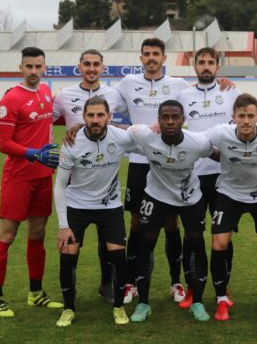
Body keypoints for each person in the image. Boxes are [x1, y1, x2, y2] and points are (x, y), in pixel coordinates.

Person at [0, 46, 63, 318]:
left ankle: (35, 293)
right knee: (6, 236)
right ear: (20, 68)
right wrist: (33, 153)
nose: (33, 71)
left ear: (44, 68)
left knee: (38, 235)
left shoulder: (45, 92)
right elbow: (3, 144)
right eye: (29, 67)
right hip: (18, 178)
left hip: (44, 176)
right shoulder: (10, 99)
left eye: (38, 67)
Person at [115, 38, 191, 304]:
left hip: (169, 163)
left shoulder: (180, 86)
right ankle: (132, 283)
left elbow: (193, 112)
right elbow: (104, 107)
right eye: (146, 54)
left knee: (172, 223)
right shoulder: (126, 84)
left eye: (155, 54)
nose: (151, 58)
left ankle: (175, 282)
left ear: (164, 57)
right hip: (138, 162)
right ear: (140, 58)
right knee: (137, 223)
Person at [127, 100, 215, 322]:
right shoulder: (146, 136)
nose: (170, 121)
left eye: (175, 117)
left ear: (183, 120)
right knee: (146, 245)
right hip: (156, 196)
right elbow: (118, 132)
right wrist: (79, 127)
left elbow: (217, 153)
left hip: (189, 198)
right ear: (158, 120)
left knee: (195, 244)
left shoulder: (198, 141)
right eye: (165, 117)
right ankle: (143, 303)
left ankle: (197, 302)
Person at [53, 49, 128, 304]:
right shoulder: (64, 95)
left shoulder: (115, 94)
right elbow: (45, 120)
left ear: (103, 68)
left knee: (107, 240)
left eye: (96, 64)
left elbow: (138, 115)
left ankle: (107, 284)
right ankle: (69, 302)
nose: (91, 68)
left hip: (106, 167)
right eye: (87, 64)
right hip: (77, 173)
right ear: (79, 67)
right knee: (75, 240)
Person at [53, 96, 136, 326]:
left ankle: (119, 307)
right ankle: (69, 308)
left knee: (118, 256)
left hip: (110, 207)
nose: (95, 120)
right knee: (68, 257)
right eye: (91, 115)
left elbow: (146, 138)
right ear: (84, 117)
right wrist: (62, 225)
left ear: (109, 116)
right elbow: (60, 184)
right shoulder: (72, 142)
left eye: (100, 115)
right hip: (76, 207)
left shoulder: (120, 137)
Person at [206, 93, 257, 321]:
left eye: (250, 116)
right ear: (233, 117)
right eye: (241, 116)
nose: (245, 120)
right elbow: (194, 141)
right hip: (228, 194)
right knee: (219, 243)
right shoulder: (221, 132)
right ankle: (222, 299)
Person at [176, 47, 240, 308]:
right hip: (193, 174)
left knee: (223, 236)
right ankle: (193, 286)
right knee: (192, 236)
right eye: (201, 62)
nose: (205, 66)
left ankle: (222, 289)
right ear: (194, 66)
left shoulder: (230, 92)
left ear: (218, 67)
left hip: (224, 175)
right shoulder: (184, 94)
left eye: (210, 62)